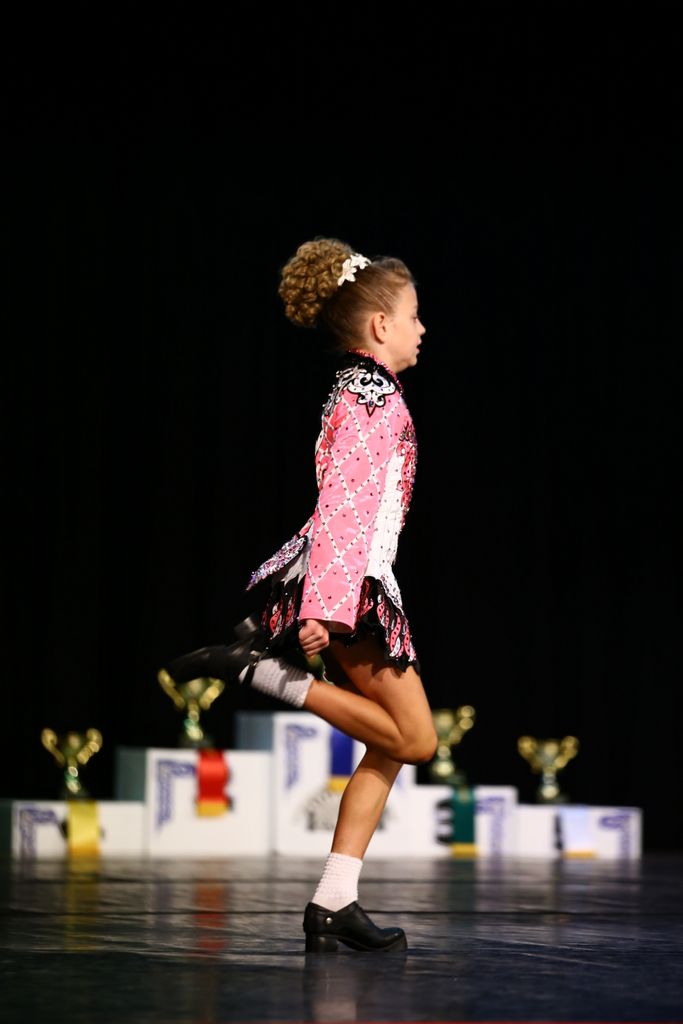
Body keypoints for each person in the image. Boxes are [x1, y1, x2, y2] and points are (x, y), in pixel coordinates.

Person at [161, 236, 437, 953]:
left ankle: (334, 900)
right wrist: (327, 607)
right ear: (380, 324)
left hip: (349, 579)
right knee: (415, 739)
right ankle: (264, 674)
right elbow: (343, 503)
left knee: (389, 744)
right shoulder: (372, 394)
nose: (421, 328)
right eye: (413, 316)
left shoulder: (361, 389)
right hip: (352, 586)